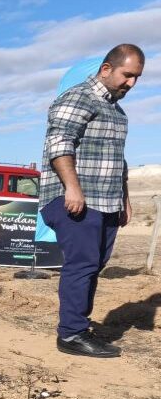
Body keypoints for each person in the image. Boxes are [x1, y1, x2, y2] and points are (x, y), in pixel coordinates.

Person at [39, 43, 145, 358]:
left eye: (137, 78)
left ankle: (79, 327)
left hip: (106, 200)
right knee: (82, 264)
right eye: (127, 75)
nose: (132, 84)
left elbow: (118, 160)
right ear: (106, 69)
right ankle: (70, 335)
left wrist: (124, 198)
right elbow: (59, 143)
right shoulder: (78, 97)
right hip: (76, 199)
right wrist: (72, 188)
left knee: (93, 265)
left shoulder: (117, 110)